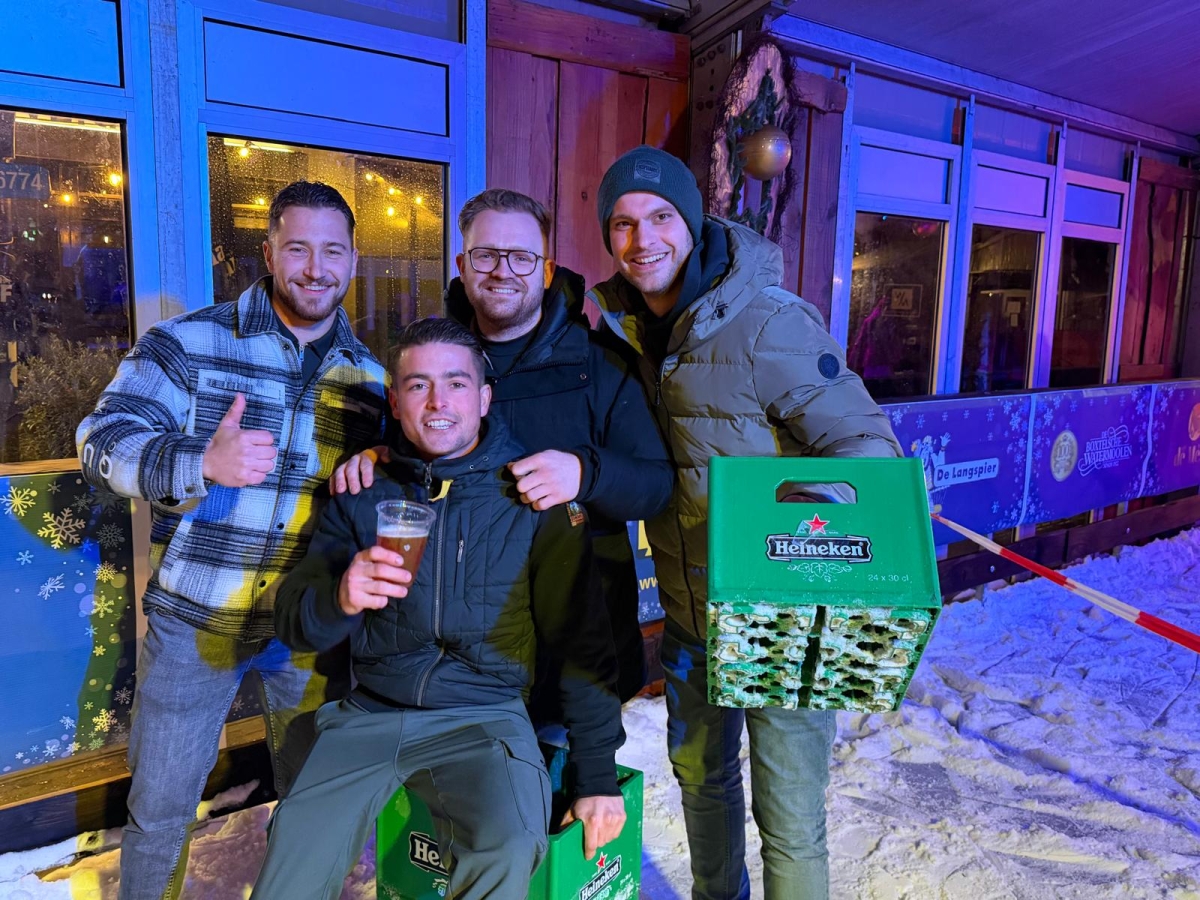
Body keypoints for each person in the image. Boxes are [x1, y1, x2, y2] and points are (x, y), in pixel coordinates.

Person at [587, 146, 903, 900]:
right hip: (691, 620)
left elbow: (870, 450)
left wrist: (785, 522)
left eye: (661, 217)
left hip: (779, 616)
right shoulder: (625, 335)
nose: (642, 239)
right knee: (703, 785)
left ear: (694, 224)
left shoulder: (767, 322)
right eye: (623, 224)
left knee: (788, 818)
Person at [76, 182, 387, 900]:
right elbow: (99, 442)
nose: (316, 268)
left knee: (313, 805)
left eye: (333, 251)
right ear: (269, 253)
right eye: (298, 248)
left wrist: (382, 469)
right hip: (196, 620)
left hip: (307, 628)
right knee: (160, 813)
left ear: (353, 259)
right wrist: (199, 463)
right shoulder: (188, 342)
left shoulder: (369, 379)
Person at [251, 317, 626, 900]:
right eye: (418, 385)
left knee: (507, 848)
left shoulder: (532, 495)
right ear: (395, 402)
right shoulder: (363, 490)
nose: (437, 402)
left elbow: (583, 640)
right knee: (293, 855)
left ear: (484, 398)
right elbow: (295, 621)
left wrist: (597, 774)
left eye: (455, 383)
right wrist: (341, 597)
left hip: (485, 716)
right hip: (370, 713)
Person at [333, 188, 673, 705]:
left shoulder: (601, 363)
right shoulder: (434, 358)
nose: (502, 271)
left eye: (521, 257)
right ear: (462, 265)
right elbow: (412, 452)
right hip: (458, 665)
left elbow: (657, 485)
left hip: (576, 657)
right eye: (486, 256)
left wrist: (586, 473)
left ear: (547, 270)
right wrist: (381, 457)